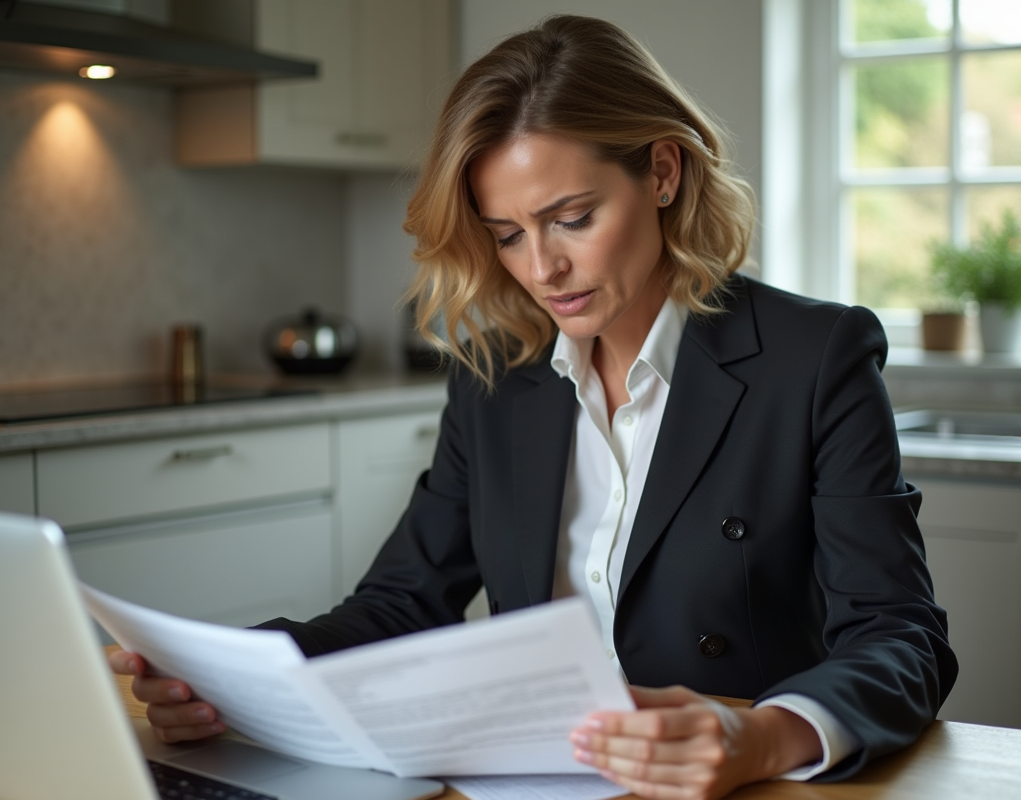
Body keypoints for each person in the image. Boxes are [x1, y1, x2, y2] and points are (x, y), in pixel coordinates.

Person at [111, 15, 956, 800]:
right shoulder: (493, 376)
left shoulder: (815, 358)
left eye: (572, 218)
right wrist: (232, 680)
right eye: (509, 234)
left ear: (662, 173)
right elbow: (403, 605)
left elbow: (901, 637)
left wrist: (762, 736)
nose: (543, 267)